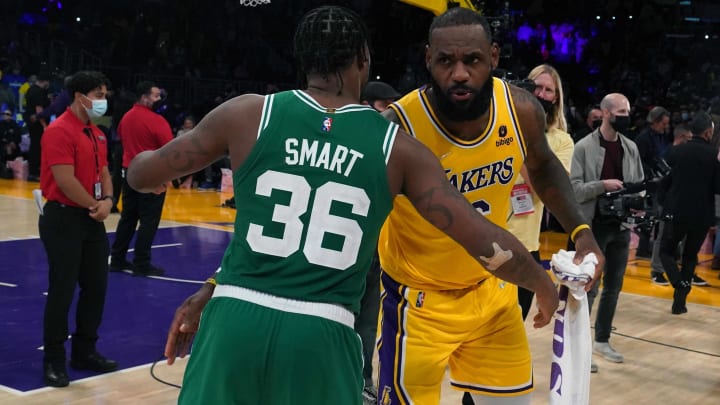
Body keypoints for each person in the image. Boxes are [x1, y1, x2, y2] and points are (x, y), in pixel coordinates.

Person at [129, 6, 563, 404]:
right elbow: (482, 240)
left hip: (234, 318)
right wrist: (539, 282)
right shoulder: (396, 147)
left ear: (303, 60)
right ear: (364, 59)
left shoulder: (246, 114)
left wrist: (148, 169)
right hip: (323, 331)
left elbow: (141, 175)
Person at [375, 9, 601, 404]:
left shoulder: (520, 108)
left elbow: (545, 167)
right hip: (419, 302)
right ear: (428, 59)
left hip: (490, 293)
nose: (459, 73)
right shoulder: (399, 126)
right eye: (446, 61)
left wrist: (582, 233)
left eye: (472, 60)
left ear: (494, 57)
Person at [38, 71, 118, 388]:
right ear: (79, 96)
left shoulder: (96, 133)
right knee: (62, 290)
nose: (103, 100)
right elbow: (64, 179)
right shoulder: (59, 131)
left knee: (96, 286)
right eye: (98, 94)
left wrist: (109, 200)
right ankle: (54, 360)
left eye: (104, 94)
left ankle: (85, 351)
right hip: (64, 218)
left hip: (90, 217)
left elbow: (104, 171)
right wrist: (94, 205)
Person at [570, 92, 644, 371]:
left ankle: (602, 340)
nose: (626, 116)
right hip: (592, 227)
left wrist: (637, 201)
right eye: (621, 112)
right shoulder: (583, 147)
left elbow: (638, 184)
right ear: (605, 113)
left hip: (622, 226)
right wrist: (603, 185)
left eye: (627, 111)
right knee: (589, 289)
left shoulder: (631, 147)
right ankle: (581, 348)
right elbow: (574, 189)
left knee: (614, 286)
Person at [507, 64, 574, 320]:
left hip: (525, 245)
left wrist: (524, 139)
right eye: (537, 87)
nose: (542, 94)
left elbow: (549, 191)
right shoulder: (496, 128)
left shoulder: (562, 142)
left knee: (513, 327)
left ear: (556, 98)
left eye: (549, 90)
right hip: (485, 237)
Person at [358, 80, 400, 399]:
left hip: (376, 246)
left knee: (370, 321)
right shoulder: (358, 138)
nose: (390, 113)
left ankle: (363, 381)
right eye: (385, 106)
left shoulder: (393, 144)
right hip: (347, 246)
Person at [109, 81, 173, 276]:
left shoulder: (126, 118)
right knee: (148, 221)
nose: (159, 99)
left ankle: (118, 258)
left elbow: (122, 139)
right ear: (144, 97)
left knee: (128, 217)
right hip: (151, 175)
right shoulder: (156, 121)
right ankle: (141, 262)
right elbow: (170, 150)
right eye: (155, 95)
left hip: (129, 173)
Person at [659, 112, 719, 313]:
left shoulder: (676, 152)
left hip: (676, 212)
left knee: (666, 251)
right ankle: (679, 304)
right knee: (690, 256)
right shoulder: (713, 156)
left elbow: (663, 181)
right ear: (708, 132)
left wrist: (662, 203)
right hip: (701, 216)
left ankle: (678, 283)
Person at [649, 123, 692, 286]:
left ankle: (671, 268)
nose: (690, 142)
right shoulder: (669, 154)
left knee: (675, 236)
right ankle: (657, 270)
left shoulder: (675, 153)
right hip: (665, 201)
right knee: (662, 235)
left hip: (677, 200)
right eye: (688, 138)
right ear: (681, 137)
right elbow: (663, 181)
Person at [633, 106, 671, 259]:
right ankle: (642, 249)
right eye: (663, 123)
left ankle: (650, 248)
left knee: (656, 216)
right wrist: (651, 174)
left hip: (660, 181)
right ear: (655, 122)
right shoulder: (643, 138)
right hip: (649, 182)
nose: (666, 126)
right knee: (651, 214)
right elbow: (638, 161)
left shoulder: (661, 136)